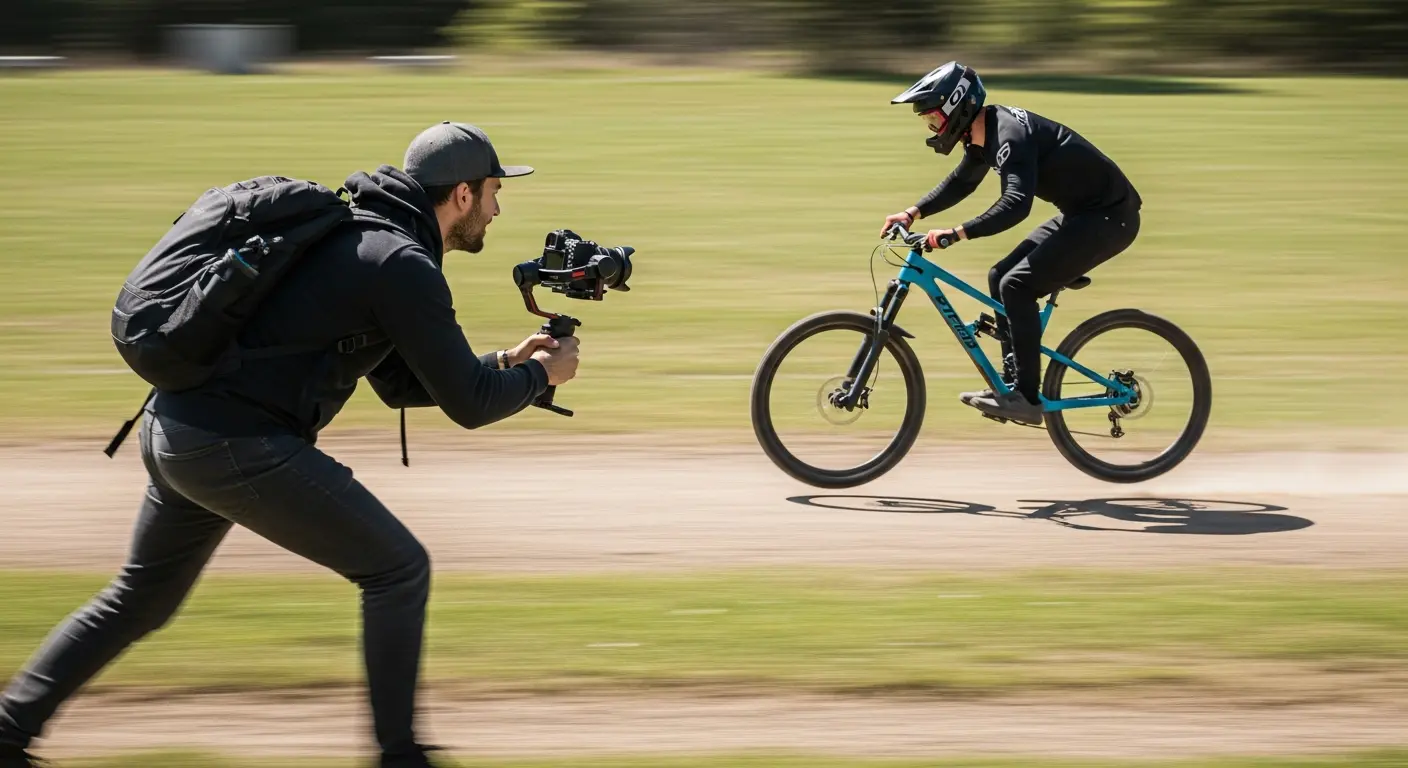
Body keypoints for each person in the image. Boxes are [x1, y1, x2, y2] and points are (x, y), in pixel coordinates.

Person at [0, 122, 579, 768]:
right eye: (495, 192)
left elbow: (399, 383)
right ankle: (400, 757)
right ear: (463, 195)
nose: (498, 210)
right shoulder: (401, 264)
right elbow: (468, 405)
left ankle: (7, 731)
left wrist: (507, 363)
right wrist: (542, 378)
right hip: (233, 444)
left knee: (142, 596)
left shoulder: (367, 237)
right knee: (397, 569)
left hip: (175, 428)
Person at [881, 62, 1142, 425]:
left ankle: (1026, 399)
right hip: (1083, 215)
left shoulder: (1010, 135)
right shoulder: (985, 131)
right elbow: (962, 182)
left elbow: (1016, 205)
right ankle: (1011, 384)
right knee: (999, 275)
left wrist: (956, 233)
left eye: (933, 118)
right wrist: (912, 213)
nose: (932, 128)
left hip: (1109, 219)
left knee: (1016, 286)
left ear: (957, 107)